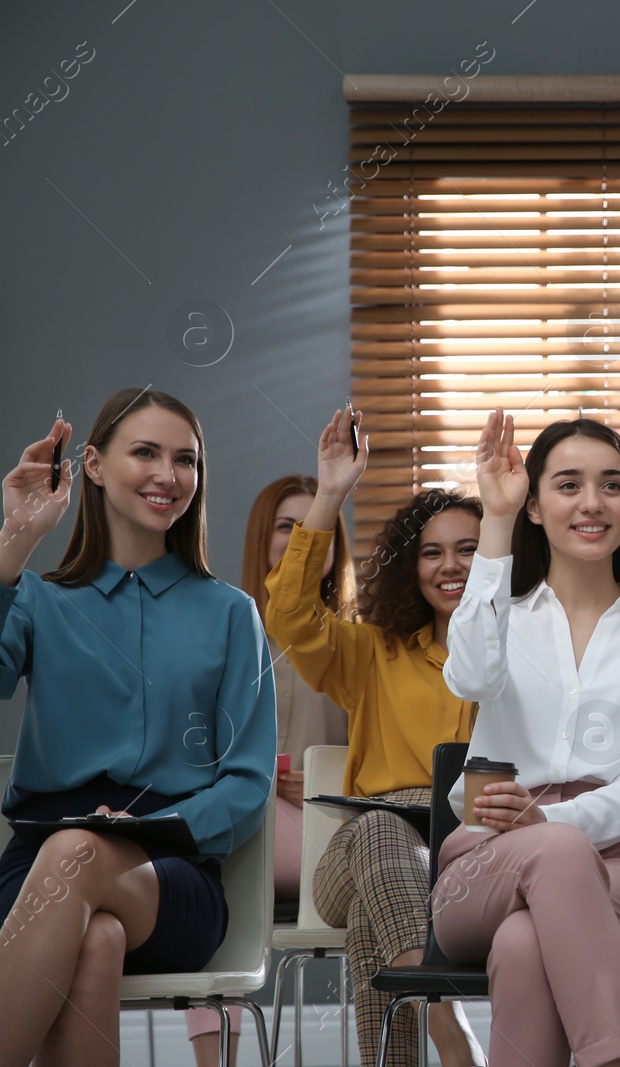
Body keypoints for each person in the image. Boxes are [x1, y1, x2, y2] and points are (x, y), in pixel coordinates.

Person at [0, 390, 275, 1067]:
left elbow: (246, 781)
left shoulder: (232, 614)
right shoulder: (36, 600)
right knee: (94, 939)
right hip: (34, 866)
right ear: (91, 465)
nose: (168, 474)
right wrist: (15, 541)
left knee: (77, 853)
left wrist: (141, 829)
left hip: (170, 872)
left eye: (186, 459)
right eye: (146, 452)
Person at [433, 412, 620, 1067]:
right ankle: (619, 1057)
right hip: (485, 864)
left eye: (612, 485)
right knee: (549, 861)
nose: (592, 501)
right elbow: (467, 674)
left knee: (526, 943)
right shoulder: (501, 618)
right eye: (568, 484)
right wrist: (493, 521)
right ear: (534, 505)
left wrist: (550, 817)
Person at [264, 408, 482, 1067]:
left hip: (463, 861)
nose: (450, 566)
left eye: (468, 548)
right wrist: (330, 494)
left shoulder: (518, 660)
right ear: (408, 567)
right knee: (384, 832)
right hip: (355, 846)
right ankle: (458, 1041)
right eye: (432, 551)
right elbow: (291, 616)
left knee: (374, 911)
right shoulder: (373, 653)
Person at [186, 475, 356, 1067]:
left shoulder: (357, 640)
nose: (304, 536)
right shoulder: (225, 630)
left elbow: (390, 759)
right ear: (264, 535)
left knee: (218, 856)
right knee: (216, 850)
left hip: (333, 833)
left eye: (318, 525)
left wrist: (333, 781)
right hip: (251, 823)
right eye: (288, 525)